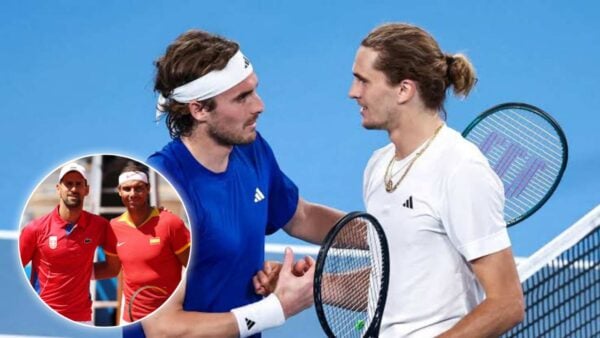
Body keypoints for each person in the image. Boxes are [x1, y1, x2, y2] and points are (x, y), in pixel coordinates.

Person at [124, 29, 343, 338]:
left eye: (254, 91)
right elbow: (162, 329)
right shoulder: (163, 191)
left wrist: (377, 233)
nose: (259, 105)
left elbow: (300, 216)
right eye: (242, 97)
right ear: (198, 109)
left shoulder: (251, 149)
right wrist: (276, 309)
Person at [347, 23, 525, 337]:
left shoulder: (460, 170)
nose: (353, 92)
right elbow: (399, 282)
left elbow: (506, 303)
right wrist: (314, 286)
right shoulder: (379, 165)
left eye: (363, 80)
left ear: (404, 89)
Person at [94, 163, 191, 324]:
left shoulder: (170, 222)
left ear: (148, 189)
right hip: (130, 320)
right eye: (127, 189)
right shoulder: (114, 227)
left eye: (138, 188)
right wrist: (73, 272)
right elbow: (112, 269)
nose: (132, 194)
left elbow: (194, 268)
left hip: (168, 320)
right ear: (119, 191)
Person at [19, 162, 109, 323]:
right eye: (68, 184)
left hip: (82, 319)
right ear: (58, 188)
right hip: (43, 317)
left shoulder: (99, 225)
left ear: (86, 190)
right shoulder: (35, 229)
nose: (73, 189)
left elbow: (113, 266)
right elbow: (12, 273)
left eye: (78, 184)